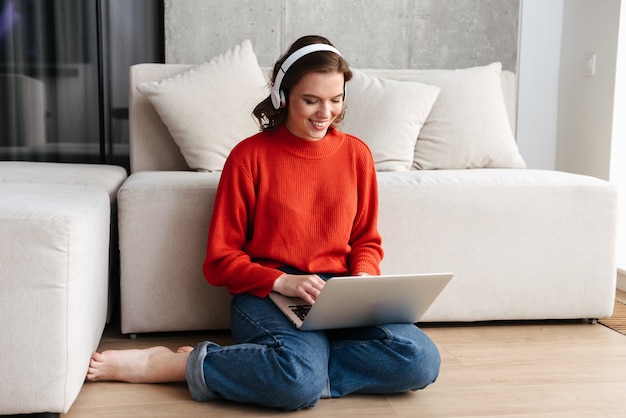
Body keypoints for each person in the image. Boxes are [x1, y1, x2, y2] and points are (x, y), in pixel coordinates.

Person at [86, 35, 441, 411]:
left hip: (338, 293)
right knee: (296, 381)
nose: (326, 113)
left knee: (420, 361)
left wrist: (364, 283)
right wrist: (283, 281)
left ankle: (292, 365)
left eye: (336, 100)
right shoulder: (248, 157)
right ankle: (175, 364)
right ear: (283, 96)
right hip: (268, 293)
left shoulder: (357, 154)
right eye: (311, 100)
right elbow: (222, 260)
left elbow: (366, 241)